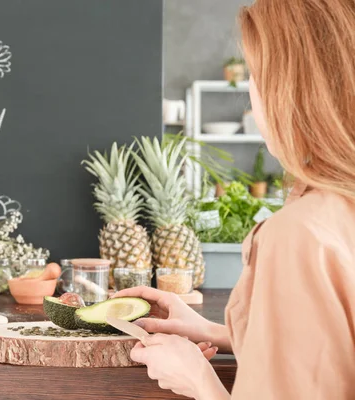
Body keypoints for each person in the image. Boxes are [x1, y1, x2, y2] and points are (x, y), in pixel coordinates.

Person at [113, 0, 355, 398]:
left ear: (292, 91)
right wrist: (213, 332)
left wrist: (197, 379)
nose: (252, 100)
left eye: (256, 78)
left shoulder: (298, 235)